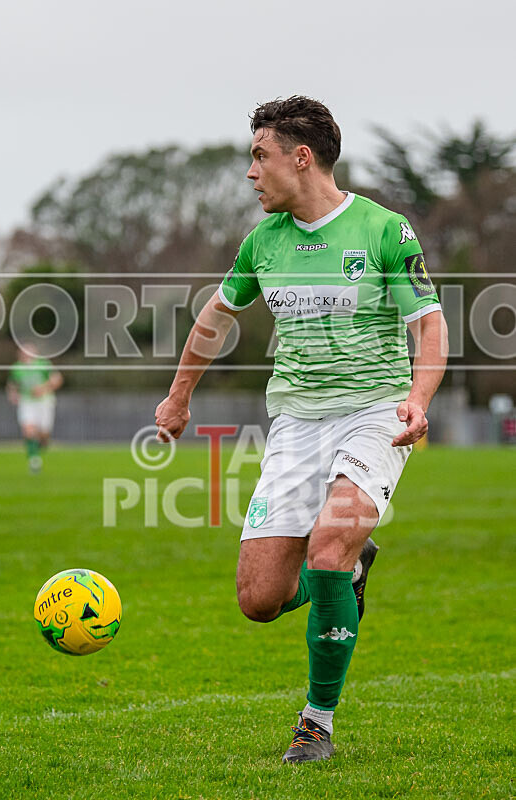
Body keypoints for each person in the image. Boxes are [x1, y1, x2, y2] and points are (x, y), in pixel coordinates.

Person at [155, 96, 448, 763]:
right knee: (259, 599)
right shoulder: (263, 242)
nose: (251, 173)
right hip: (293, 423)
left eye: (259, 157)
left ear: (300, 157)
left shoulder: (382, 230)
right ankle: (344, 579)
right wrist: (177, 399)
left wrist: (416, 398)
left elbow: (428, 324)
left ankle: (315, 722)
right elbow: (213, 318)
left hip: (374, 412)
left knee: (328, 546)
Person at [7, 343, 63, 472]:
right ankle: (34, 461)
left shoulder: (43, 364)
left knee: (44, 435)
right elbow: (12, 385)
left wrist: (43, 389)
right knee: (28, 430)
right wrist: (13, 395)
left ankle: (41, 445)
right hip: (27, 402)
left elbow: (57, 380)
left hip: (44, 402)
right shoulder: (16, 368)